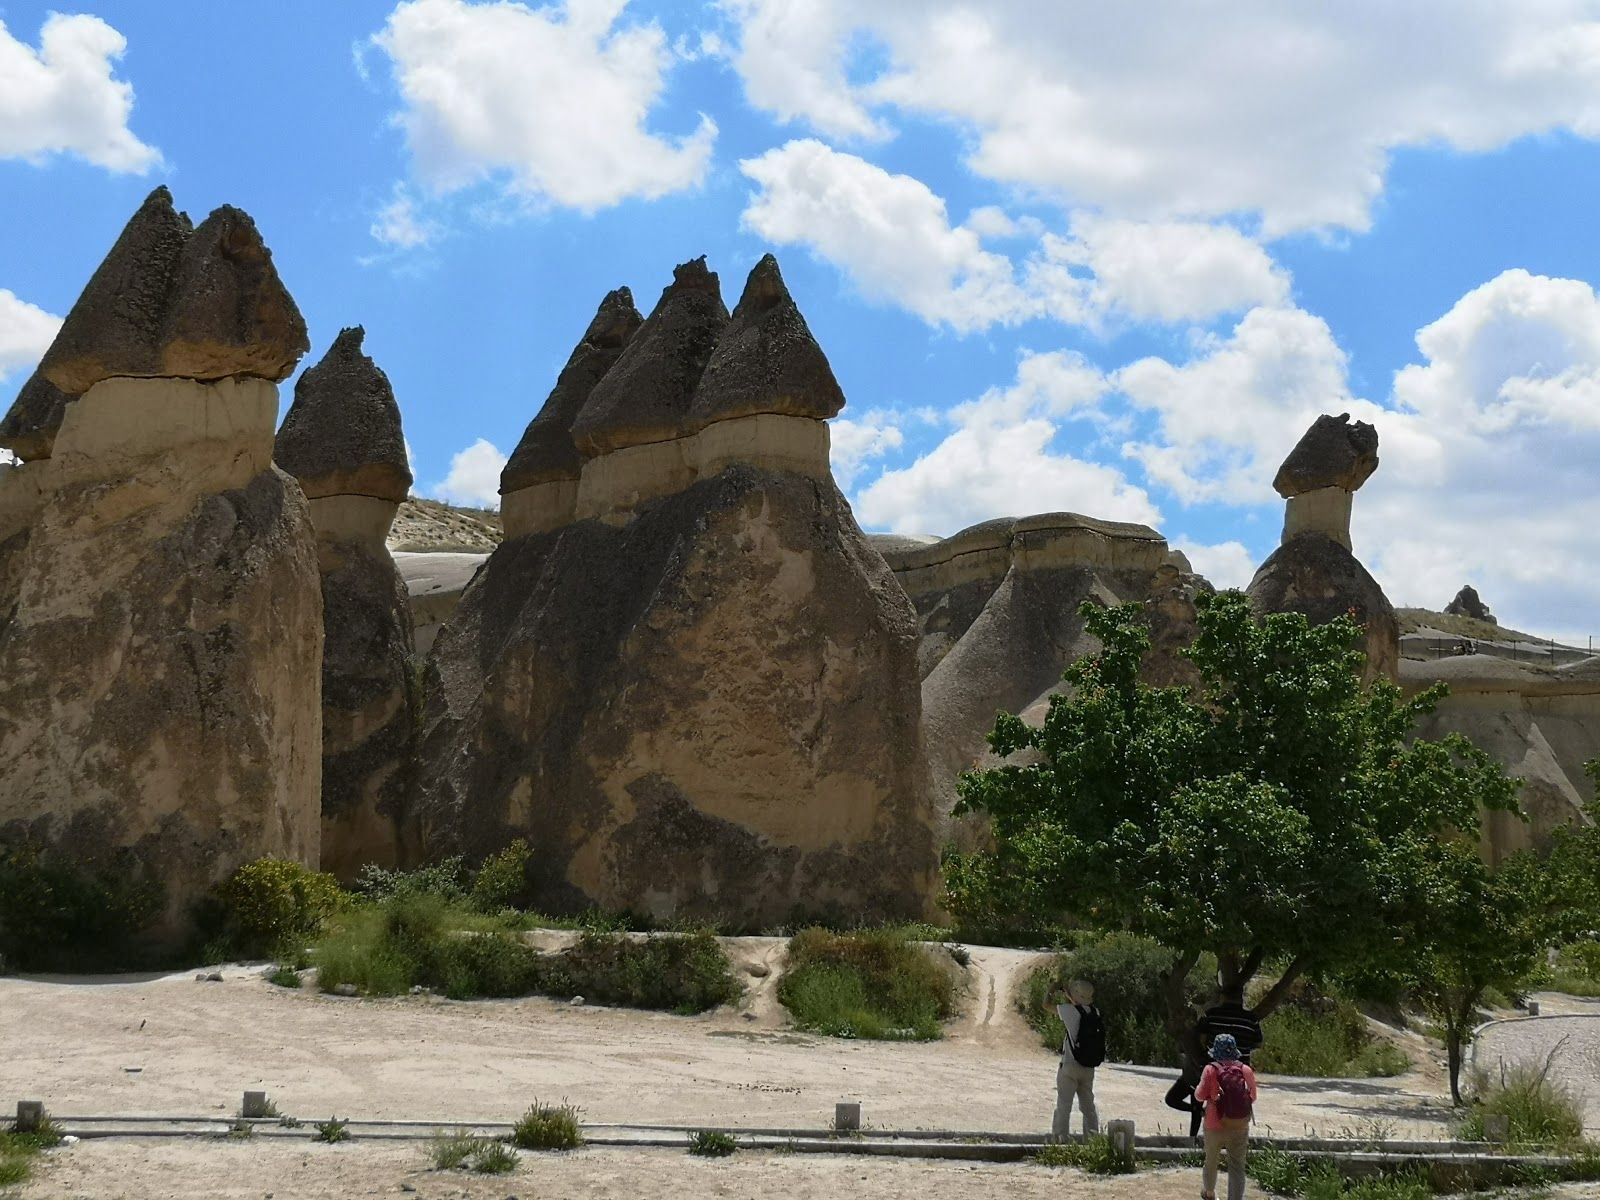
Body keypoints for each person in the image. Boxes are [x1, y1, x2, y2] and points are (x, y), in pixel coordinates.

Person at [1193, 1033, 1258, 1200]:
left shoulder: (1210, 1070)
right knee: (1237, 1166)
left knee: (1211, 1160)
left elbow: (1199, 1096)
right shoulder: (1245, 1070)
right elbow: (1253, 1097)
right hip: (1239, 1125)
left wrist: (1213, 1096)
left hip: (1214, 1124)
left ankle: (1209, 1194)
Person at [1051, 978, 1104, 1138]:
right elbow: (1080, 1007)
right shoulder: (1095, 1012)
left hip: (1070, 1065)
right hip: (1088, 1067)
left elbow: (1046, 1006)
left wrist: (1050, 991)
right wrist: (1070, 996)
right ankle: (1092, 1139)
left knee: (1064, 1105)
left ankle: (1060, 1139)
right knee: (1088, 1107)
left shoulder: (1068, 1011)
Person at [1198, 991, 1263, 1064]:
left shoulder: (1210, 1015)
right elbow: (1258, 1044)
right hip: (1241, 1067)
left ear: (1223, 997)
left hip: (1215, 1066)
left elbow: (1202, 1040)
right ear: (1241, 999)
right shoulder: (1251, 1019)